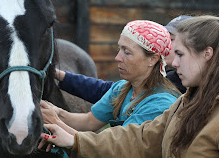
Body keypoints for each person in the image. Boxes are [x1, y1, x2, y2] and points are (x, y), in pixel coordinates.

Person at [39, 15, 219, 157]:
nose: (174, 64)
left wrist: (60, 124)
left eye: (181, 54)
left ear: (207, 54)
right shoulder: (186, 102)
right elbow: (138, 140)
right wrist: (68, 131)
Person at [40, 20, 181, 138]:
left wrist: (57, 123)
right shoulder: (122, 89)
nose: (118, 58)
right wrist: (58, 113)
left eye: (127, 52)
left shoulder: (160, 104)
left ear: (153, 59)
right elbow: (89, 121)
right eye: (119, 49)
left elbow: (118, 147)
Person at [54, 15, 190, 105]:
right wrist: (61, 76)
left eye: (170, 39)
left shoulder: (175, 91)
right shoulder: (168, 77)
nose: (164, 45)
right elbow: (113, 92)